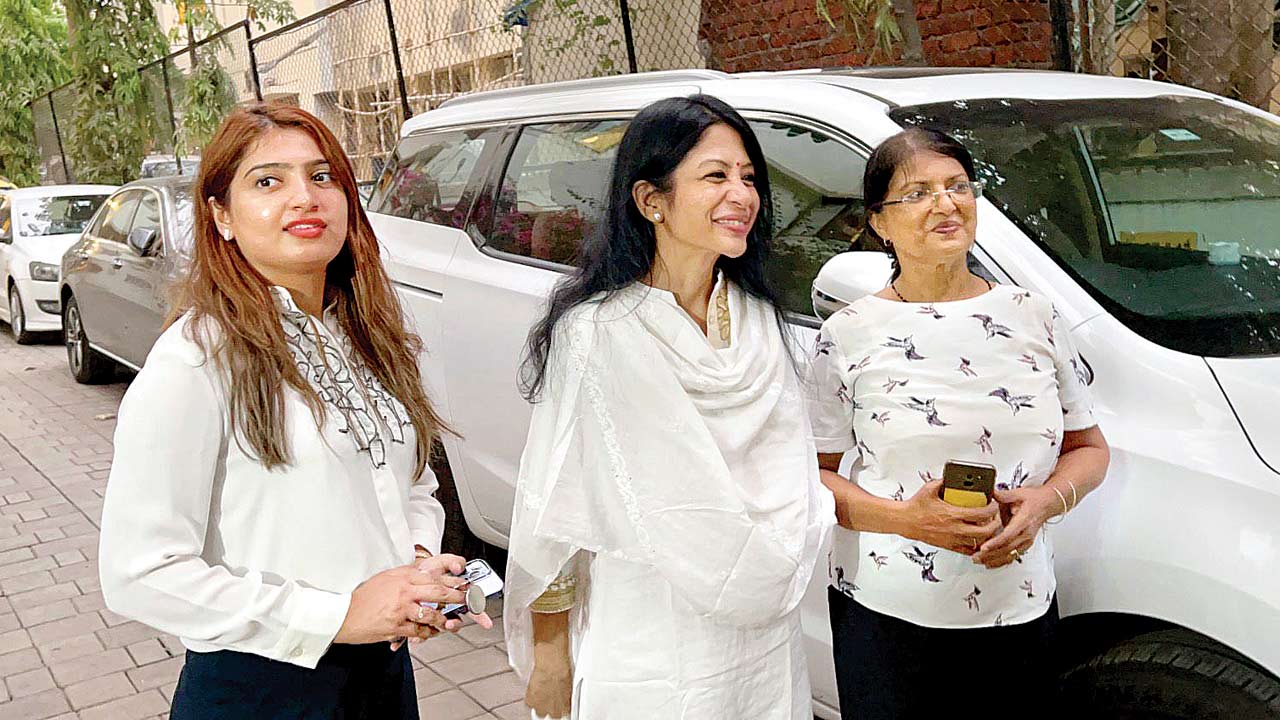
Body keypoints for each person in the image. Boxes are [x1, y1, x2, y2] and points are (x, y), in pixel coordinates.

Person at [98, 103, 490, 720]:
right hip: (262, 687)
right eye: (268, 181)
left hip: (381, 677)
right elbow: (139, 572)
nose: (304, 198)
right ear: (221, 216)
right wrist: (337, 615)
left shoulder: (366, 337)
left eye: (323, 176)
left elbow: (413, 482)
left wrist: (415, 570)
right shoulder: (198, 359)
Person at [504, 95, 834, 720]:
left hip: (764, 642)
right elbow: (555, 506)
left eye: (749, 178)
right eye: (716, 176)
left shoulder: (759, 319)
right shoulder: (599, 334)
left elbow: (792, 474)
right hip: (651, 635)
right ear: (651, 201)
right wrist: (552, 659)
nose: (742, 194)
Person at [807, 127, 1111, 719]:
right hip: (887, 616)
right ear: (880, 223)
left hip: (1018, 606)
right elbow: (809, 477)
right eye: (917, 193)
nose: (946, 204)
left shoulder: (1033, 315)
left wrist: (1046, 501)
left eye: (958, 187)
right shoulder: (848, 334)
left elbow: (1089, 448)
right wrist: (906, 520)